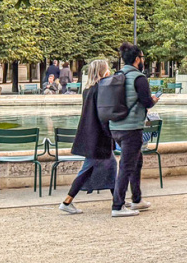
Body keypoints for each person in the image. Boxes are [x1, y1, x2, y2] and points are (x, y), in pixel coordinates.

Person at [59, 59, 116, 214]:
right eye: (107, 69)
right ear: (102, 72)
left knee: (110, 167)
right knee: (88, 170)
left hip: (92, 136)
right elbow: (104, 113)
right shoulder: (101, 89)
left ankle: (119, 200)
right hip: (99, 138)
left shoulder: (88, 89)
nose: (109, 71)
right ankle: (67, 201)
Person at [109, 42, 158, 218]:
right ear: (138, 59)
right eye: (142, 57)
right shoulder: (139, 78)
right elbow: (147, 102)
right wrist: (154, 100)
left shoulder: (118, 75)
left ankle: (137, 198)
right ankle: (118, 205)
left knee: (136, 161)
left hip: (115, 126)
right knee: (126, 166)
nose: (143, 60)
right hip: (131, 128)